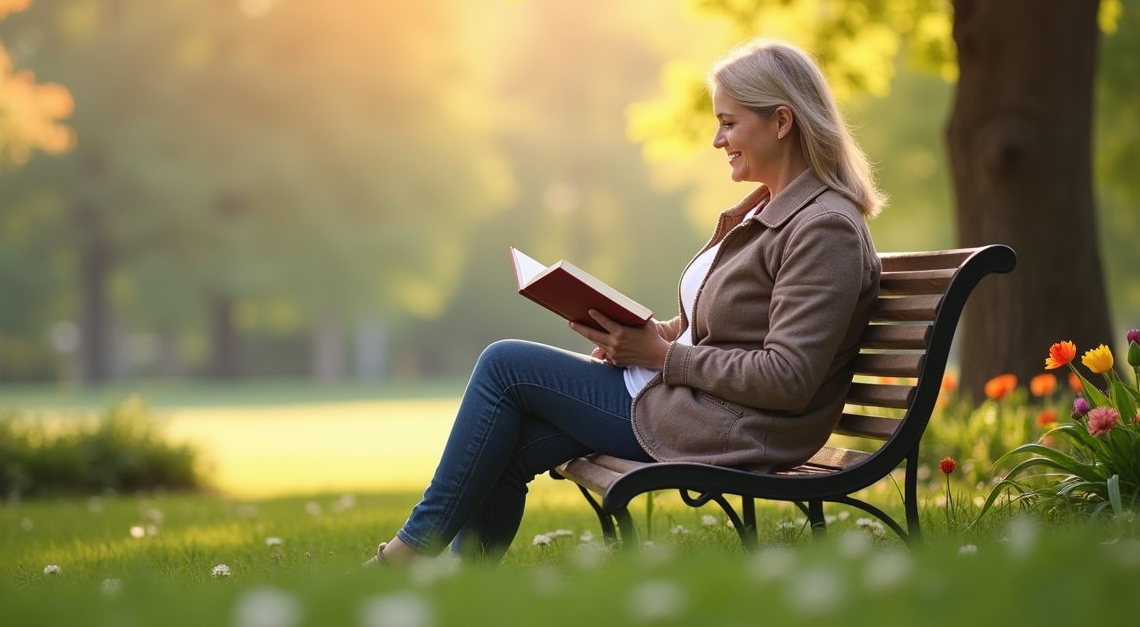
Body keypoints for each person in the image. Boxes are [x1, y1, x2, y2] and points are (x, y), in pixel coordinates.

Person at [366, 39, 884, 566]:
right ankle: (461, 584)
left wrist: (659, 356)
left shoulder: (823, 230)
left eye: (729, 123)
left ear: (781, 122)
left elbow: (787, 377)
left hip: (730, 428)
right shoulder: (771, 212)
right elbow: (720, 328)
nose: (716, 139)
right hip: (686, 400)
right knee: (509, 441)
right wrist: (641, 334)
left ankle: (405, 555)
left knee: (505, 366)